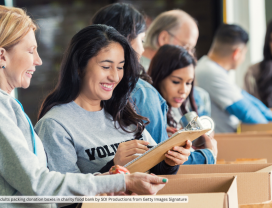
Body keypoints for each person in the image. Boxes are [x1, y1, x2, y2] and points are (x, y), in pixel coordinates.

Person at [0, 5, 167, 208]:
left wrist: (167, 160)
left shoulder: (9, 106)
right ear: (2, 56)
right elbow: (39, 184)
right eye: (31, 51)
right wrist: (119, 178)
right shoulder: (44, 121)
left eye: (120, 67)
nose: (39, 60)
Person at [35, 24, 191, 179]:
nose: (115, 77)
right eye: (106, 66)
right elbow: (65, 198)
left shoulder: (122, 111)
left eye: (120, 67)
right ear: (79, 67)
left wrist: (170, 161)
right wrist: (114, 167)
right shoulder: (55, 125)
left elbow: (155, 173)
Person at [90, 3, 214, 165]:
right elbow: (158, 162)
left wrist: (162, 136)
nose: (142, 49)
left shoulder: (86, 89)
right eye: (142, 40)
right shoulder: (142, 92)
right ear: (125, 42)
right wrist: (207, 155)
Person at [195, 24, 272, 133]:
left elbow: (248, 99)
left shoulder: (212, 68)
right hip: (223, 144)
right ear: (237, 53)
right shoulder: (209, 72)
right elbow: (247, 112)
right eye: (244, 53)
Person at [148, 44, 217, 164]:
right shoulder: (148, 113)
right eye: (176, 82)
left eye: (189, 83)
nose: (183, 90)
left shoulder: (181, 110)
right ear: (159, 77)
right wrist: (208, 154)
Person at [142, 9, 211, 117]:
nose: (190, 55)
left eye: (188, 83)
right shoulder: (140, 74)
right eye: (186, 47)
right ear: (163, 38)